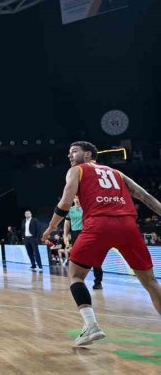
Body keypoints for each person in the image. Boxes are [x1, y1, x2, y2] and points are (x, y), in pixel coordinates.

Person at [42, 141, 161, 346]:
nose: (70, 155)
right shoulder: (117, 173)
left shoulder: (77, 170)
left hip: (99, 225)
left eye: (74, 151)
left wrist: (52, 226)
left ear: (88, 154)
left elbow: (66, 202)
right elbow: (145, 196)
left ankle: (91, 325)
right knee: (150, 282)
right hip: (128, 226)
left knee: (75, 275)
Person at [63, 196, 103, 289]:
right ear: (73, 199)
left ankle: (98, 282)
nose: (77, 199)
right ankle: (77, 281)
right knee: (76, 258)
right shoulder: (70, 210)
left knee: (94, 258)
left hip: (88, 233)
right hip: (75, 235)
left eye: (78, 198)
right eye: (75, 198)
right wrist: (65, 235)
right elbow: (67, 223)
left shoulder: (87, 207)